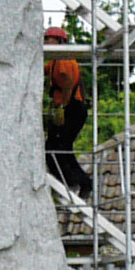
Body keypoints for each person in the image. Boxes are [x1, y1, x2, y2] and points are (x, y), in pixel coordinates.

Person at [42, 26, 92, 196]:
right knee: (58, 147)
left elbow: (68, 81)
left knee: (58, 147)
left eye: (48, 39)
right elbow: (44, 70)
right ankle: (73, 181)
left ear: (58, 41)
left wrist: (62, 107)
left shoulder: (63, 59)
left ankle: (75, 181)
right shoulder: (56, 60)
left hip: (72, 108)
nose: (45, 42)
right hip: (71, 107)